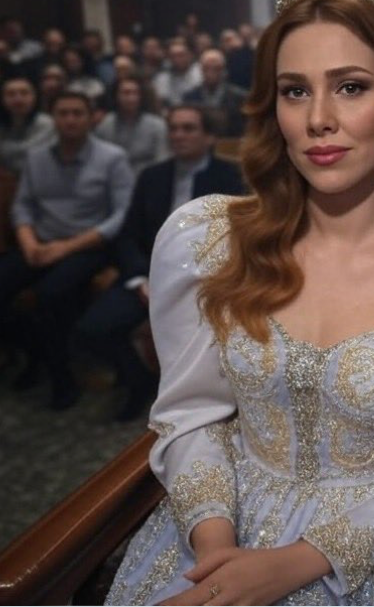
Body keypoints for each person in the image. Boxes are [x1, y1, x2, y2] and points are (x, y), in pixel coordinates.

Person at [106, 0, 374, 606]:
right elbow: (192, 415)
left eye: (351, 87)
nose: (318, 117)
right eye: (295, 90)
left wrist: (299, 561)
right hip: (218, 532)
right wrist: (215, 550)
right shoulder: (214, 241)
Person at [75, 105, 246, 422]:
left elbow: (237, 240)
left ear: (209, 136)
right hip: (149, 276)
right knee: (93, 329)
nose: (178, 135)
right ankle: (138, 381)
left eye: (188, 128)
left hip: (205, 281)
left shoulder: (231, 178)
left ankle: (198, 401)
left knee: (209, 338)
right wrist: (141, 279)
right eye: (174, 128)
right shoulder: (152, 176)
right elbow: (128, 235)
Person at [1, 91, 134, 409]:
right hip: (40, 242)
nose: (70, 120)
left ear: (90, 119)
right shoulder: (36, 157)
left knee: (48, 296)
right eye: (63, 113)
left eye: (77, 113)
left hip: (89, 245)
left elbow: (121, 216)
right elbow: (22, 206)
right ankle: (35, 354)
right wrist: (29, 242)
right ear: (53, 118)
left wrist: (64, 248)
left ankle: (62, 377)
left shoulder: (112, 157)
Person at [94, 77, 169, 174]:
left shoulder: (157, 125)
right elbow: (98, 159)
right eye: (126, 93)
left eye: (135, 93)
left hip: (147, 178)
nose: (131, 98)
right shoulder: (105, 124)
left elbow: (162, 160)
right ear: (116, 96)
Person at [0, 76, 55, 173]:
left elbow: (33, 155)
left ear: (35, 97)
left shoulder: (47, 123)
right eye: (11, 94)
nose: (18, 99)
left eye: (24, 93)